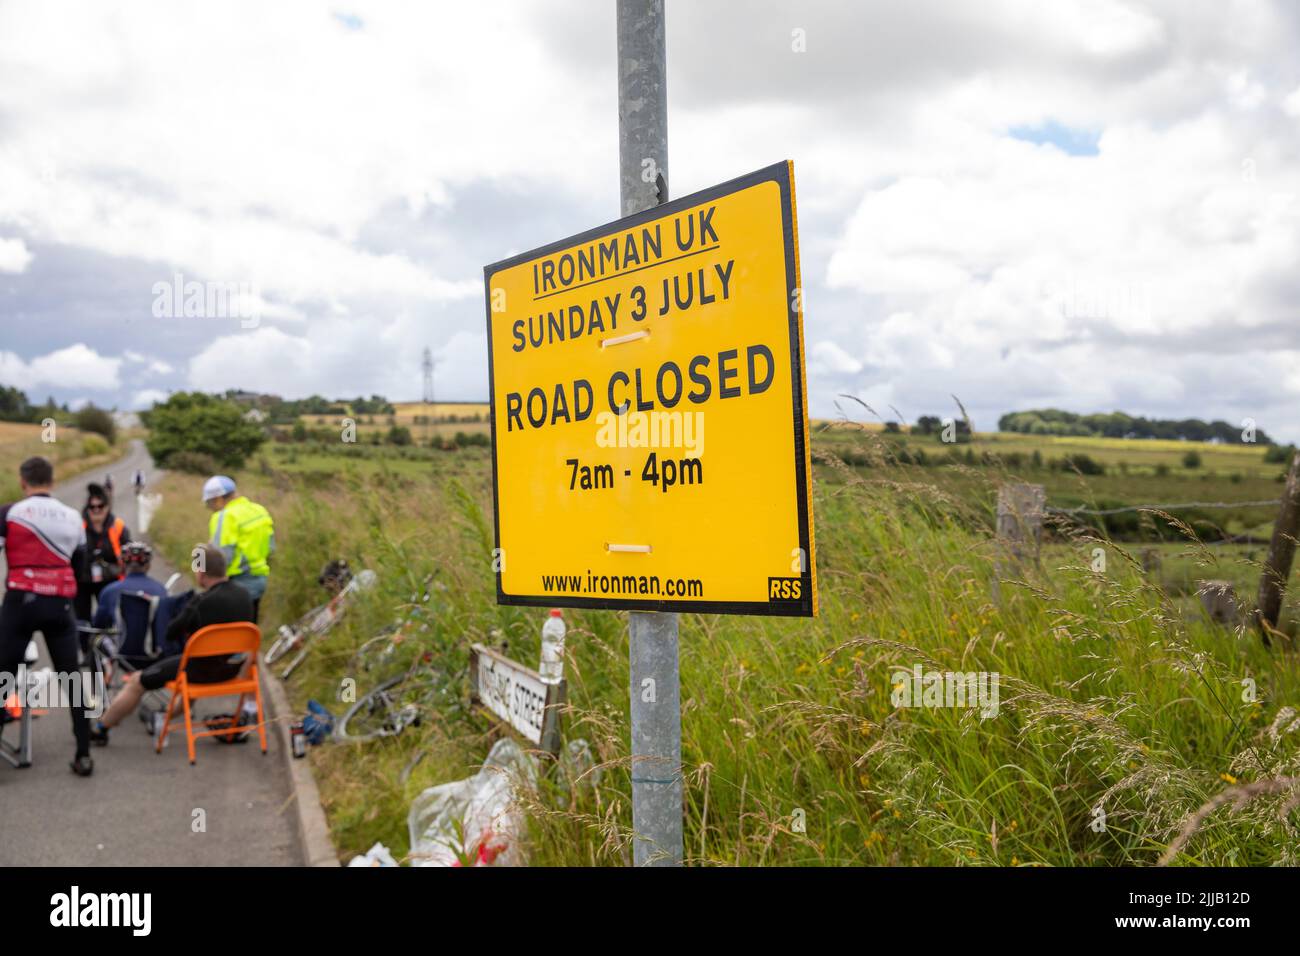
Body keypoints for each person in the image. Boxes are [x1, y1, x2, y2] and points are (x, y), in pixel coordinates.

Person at [90, 544, 254, 744]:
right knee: (196, 661)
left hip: (198, 673)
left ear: (201, 572)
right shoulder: (245, 595)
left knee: (136, 681)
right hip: (232, 669)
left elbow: (170, 632)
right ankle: (164, 715)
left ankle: (101, 728)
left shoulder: (200, 602)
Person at [0, 456, 95, 776]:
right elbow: (81, 567)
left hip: (20, 602)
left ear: (23, 481)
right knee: (71, 679)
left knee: (4, 678)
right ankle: (83, 754)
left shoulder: (11, 512)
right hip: (59, 604)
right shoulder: (73, 517)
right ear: (52, 482)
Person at [203, 476, 274, 623]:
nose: (211, 509)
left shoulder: (224, 516)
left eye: (210, 504)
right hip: (259, 581)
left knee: (227, 633)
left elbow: (222, 558)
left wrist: (201, 570)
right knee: (247, 629)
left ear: (218, 499)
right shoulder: (259, 510)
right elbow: (271, 548)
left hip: (234, 584)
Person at [91, 541, 167, 667]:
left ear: (122, 563)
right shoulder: (161, 590)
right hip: (153, 654)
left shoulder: (110, 591)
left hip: (120, 654)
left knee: (96, 639)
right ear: (148, 565)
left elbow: (98, 624)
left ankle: (101, 683)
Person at [73, 483, 130, 623]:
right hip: (82, 580)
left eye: (100, 506)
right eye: (92, 507)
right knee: (81, 620)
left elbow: (129, 555)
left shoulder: (118, 527)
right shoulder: (77, 526)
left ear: (107, 507)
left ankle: (106, 643)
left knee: (108, 619)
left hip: (109, 579)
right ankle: (85, 643)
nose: (96, 510)